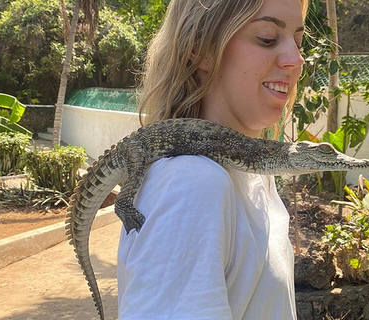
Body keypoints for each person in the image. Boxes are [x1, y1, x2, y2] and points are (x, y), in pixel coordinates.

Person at [117, 0, 308, 318]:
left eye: (299, 41)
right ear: (200, 48)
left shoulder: (254, 174)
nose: (296, 59)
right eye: (267, 37)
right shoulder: (194, 183)